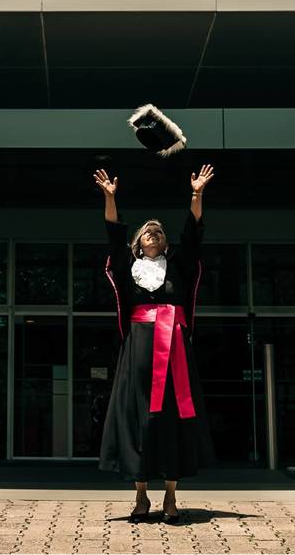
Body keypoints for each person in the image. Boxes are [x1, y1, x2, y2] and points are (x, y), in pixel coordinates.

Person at [93, 164, 217, 524]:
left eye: (159, 231)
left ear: (165, 243)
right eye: (148, 230)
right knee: (139, 418)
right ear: (138, 242)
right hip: (138, 351)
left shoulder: (179, 266)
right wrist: (110, 197)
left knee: (173, 418)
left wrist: (196, 194)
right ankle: (141, 495)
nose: (154, 233)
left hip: (175, 349)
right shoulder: (126, 266)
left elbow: (193, 234)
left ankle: (171, 496)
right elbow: (113, 232)